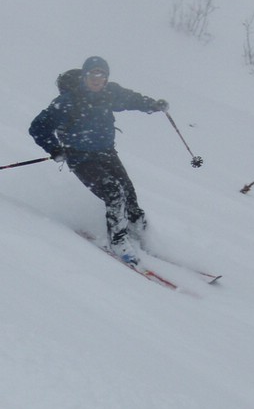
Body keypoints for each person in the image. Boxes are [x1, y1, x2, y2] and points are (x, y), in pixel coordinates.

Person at [29, 56, 168, 264]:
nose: (97, 79)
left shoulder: (109, 93)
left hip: (106, 153)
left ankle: (140, 233)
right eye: (93, 74)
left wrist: (152, 105)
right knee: (113, 192)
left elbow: (131, 99)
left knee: (128, 192)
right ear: (84, 76)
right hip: (80, 158)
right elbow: (38, 127)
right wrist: (55, 149)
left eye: (101, 75)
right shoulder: (67, 102)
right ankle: (118, 240)